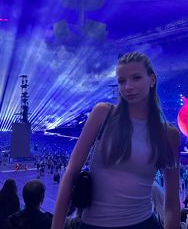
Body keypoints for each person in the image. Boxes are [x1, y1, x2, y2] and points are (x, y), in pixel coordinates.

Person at [52, 51, 180, 229]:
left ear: (152, 80)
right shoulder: (102, 114)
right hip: (93, 225)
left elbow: (172, 203)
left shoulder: (168, 134)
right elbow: (72, 172)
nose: (128, 86)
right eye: (122, 81)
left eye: (136, 78)